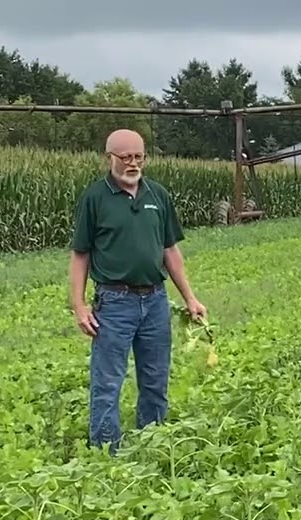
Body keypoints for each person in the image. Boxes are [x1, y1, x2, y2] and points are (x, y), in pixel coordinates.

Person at [68, 128, 207, 453]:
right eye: (126, 157)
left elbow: (170, 251)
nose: (133, 163)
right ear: (109, 158)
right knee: (107, 381)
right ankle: (105, 451)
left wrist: (190, 297)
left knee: (155, 378)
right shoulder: (95, 198)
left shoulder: (157, 195)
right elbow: (80, 255)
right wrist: (79, 305)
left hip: (156, 301)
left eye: (139, 157)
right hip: (114, 302)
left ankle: (152, 442)